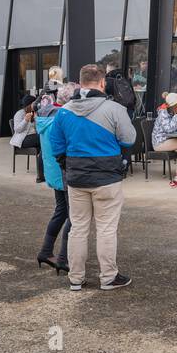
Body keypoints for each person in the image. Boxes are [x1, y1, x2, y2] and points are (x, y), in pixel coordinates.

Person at [47, 64, 137, 291]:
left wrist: (66, 163)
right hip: (107, 178)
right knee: (106, 228)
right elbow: (129, 138)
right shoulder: (114, 108)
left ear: (80, 83)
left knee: (78, 227)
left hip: (76, 178)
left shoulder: (64, 111)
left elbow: (55, 144)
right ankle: (108, 277)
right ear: (102, 83)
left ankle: (76, 279)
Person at [35, 82, 78, 275]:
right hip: (64, 171)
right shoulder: (62, 119)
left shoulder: (45, 115)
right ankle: (63, 258)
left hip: (53, 171)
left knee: (61, 211)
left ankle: (46, 251)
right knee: (73, 215)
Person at [151, 92, 177, 167]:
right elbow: (169, 129)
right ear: (175, 103)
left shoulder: (173, 112)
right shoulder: (163, 113)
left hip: (169, 139)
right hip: (160, 142)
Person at [10, 94, 41, 182]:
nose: (36, 105)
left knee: (43, 141)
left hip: (33, 138)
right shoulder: (19, 113)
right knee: (41, 139)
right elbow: (17, 130)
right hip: (22, 140)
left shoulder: (35, 113)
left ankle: (41, 172)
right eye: (34, 103)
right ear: (30, 104)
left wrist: (36, 119)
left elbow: (38, 129)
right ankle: (41, 173)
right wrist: (25, 120)